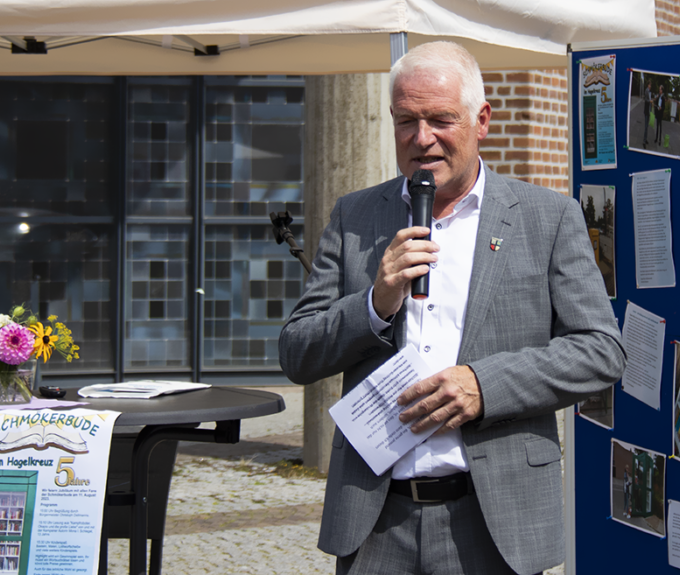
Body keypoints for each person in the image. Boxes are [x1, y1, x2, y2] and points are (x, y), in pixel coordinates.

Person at [279, 41, 625, 575]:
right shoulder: (354, 215)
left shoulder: (546, 218)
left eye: (440, 119)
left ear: (481, 119)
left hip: (491, 520)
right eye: (406, 121)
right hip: (376, 520)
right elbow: (298, 353)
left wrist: (483, 386)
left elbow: (601, 351)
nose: (422, 139)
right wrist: (375, 303)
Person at [643, 77, 653, 147]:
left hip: (649, 111)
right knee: (646, 126)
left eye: (651, 85)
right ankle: (644, 141)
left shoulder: (649, 92)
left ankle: (645, 139)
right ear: (648, 85)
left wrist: (651, 100)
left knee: (647, 126)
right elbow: (646, 100)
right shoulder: (646, 91)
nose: (650, 86)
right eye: (650, 85)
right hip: (646, 111)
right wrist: (650, 101)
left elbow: (649, 100)